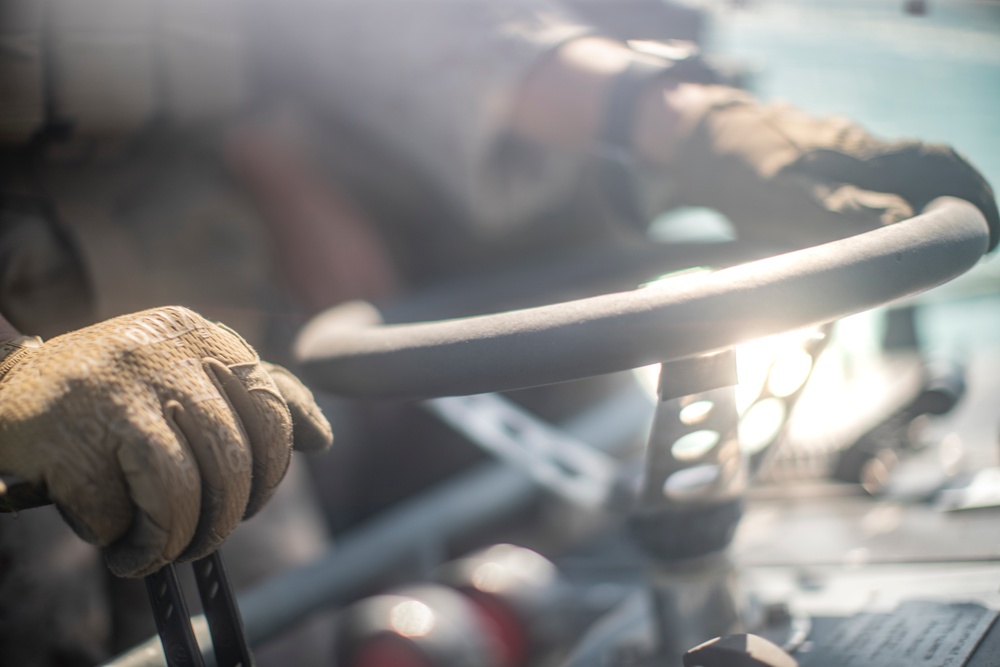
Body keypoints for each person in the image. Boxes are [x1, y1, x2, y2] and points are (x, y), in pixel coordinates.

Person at [0, 1, 996, 665]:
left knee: (282, 612)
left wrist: (677, 118)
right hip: (42, 421)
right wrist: (13, 371)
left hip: (211, 336)